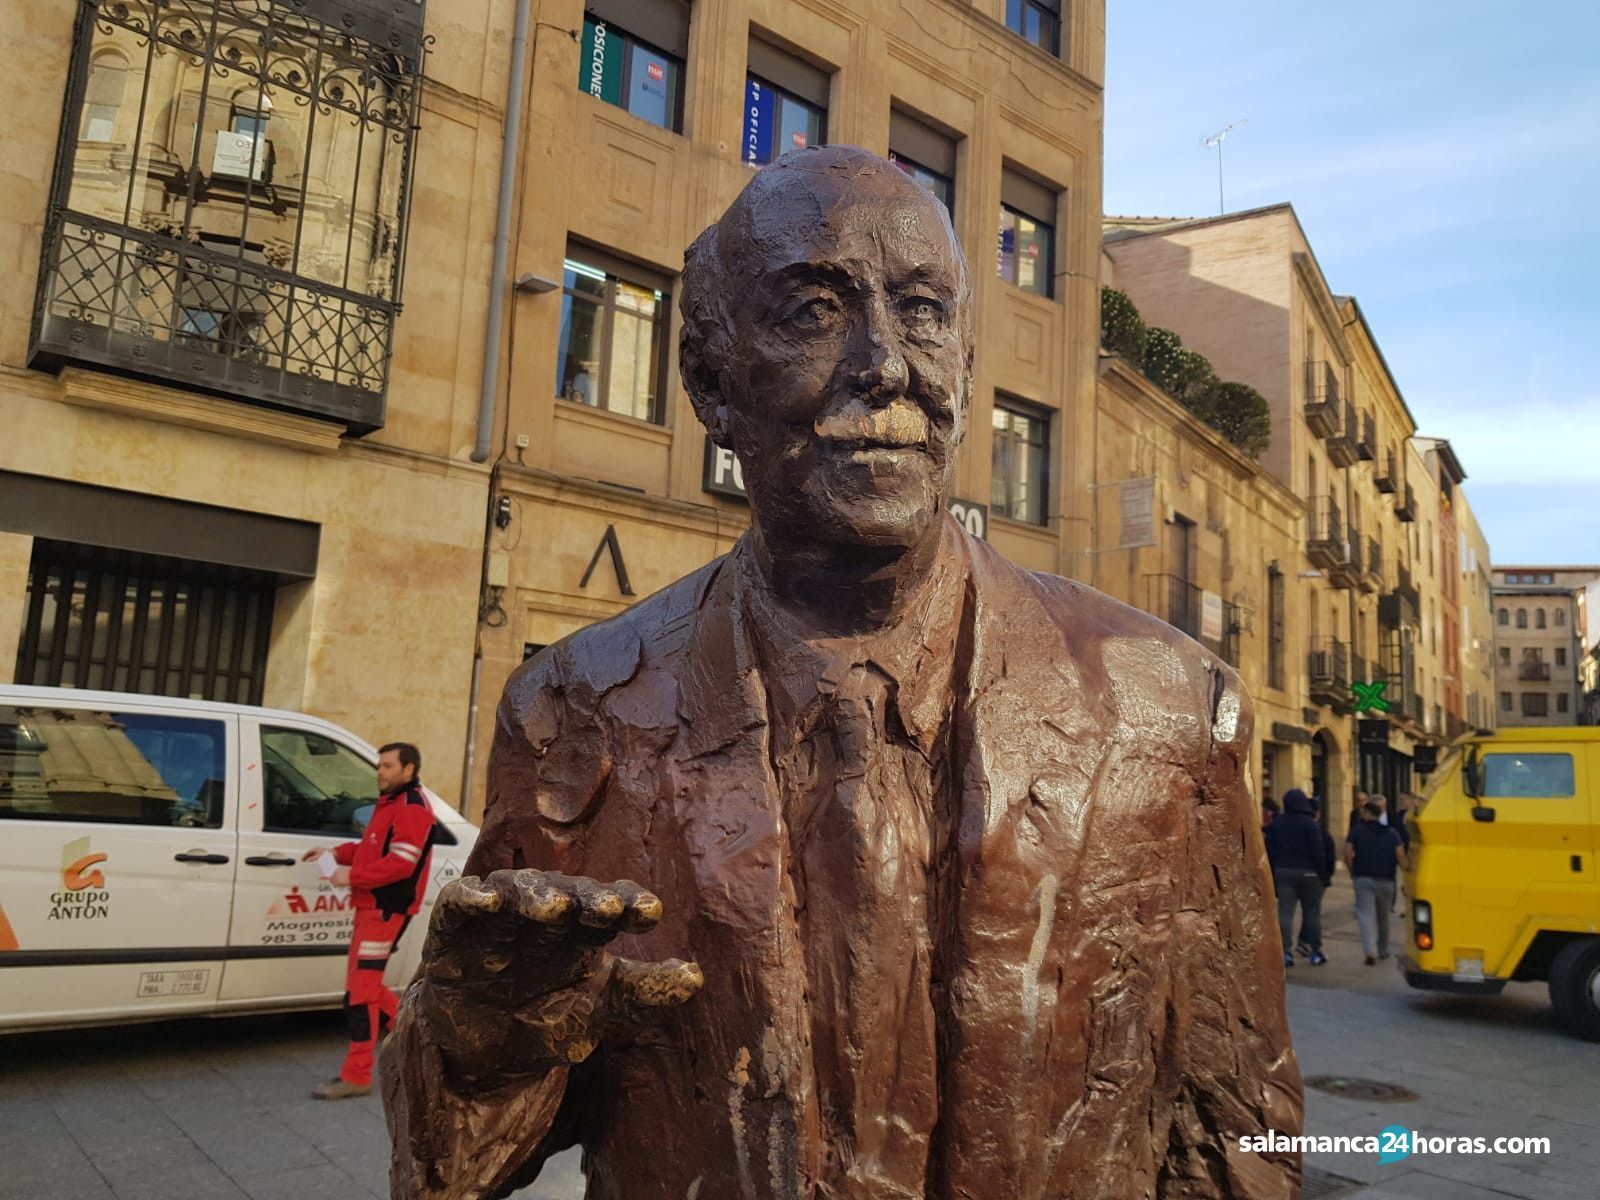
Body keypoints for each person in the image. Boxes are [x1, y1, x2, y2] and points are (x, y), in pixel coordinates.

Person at [381, 147, 1300, 1199]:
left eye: (920, 313)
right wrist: (490, 1042)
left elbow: (1238, 1137)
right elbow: (455, 1171)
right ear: (711, 381)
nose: (885, 364)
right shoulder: (574, 708)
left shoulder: (1166, 703)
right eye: (813, 312)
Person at [303, 741, 435, 1099]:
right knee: (368, 987)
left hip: (384, 909)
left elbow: (400, 864)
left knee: (359, 995)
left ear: (408, 769)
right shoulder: (391, 802)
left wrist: (351, 877)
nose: (381, 771)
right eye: (380, 765)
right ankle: (423, 1045)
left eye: (389, 766)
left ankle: (357, 1075)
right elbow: (371, 849)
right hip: (373, 907)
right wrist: (335, 854)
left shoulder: (411, 807)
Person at [1264, 789, 1330, 967]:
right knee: (1312, 913)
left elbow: (1269, 850)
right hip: (1309, 873)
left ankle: (1285, 952)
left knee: (1285, 912)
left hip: (1284, 872)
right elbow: (1318, 852)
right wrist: (1323, 875)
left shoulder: (1278, 823)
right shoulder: (1311, 824)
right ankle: (1315, 951)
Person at [1344, 797, 1411, 965]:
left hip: (1363, 877)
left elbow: (1347, 852)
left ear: (1367, 813)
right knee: (1384, 917)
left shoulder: (1358, 830)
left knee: (1365, 915)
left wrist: (1353, 870)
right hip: (1386, 880)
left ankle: (1370, 951)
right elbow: (1401, 856)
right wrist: (1407, 872)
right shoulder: (1391, 833)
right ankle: (1383, 949)